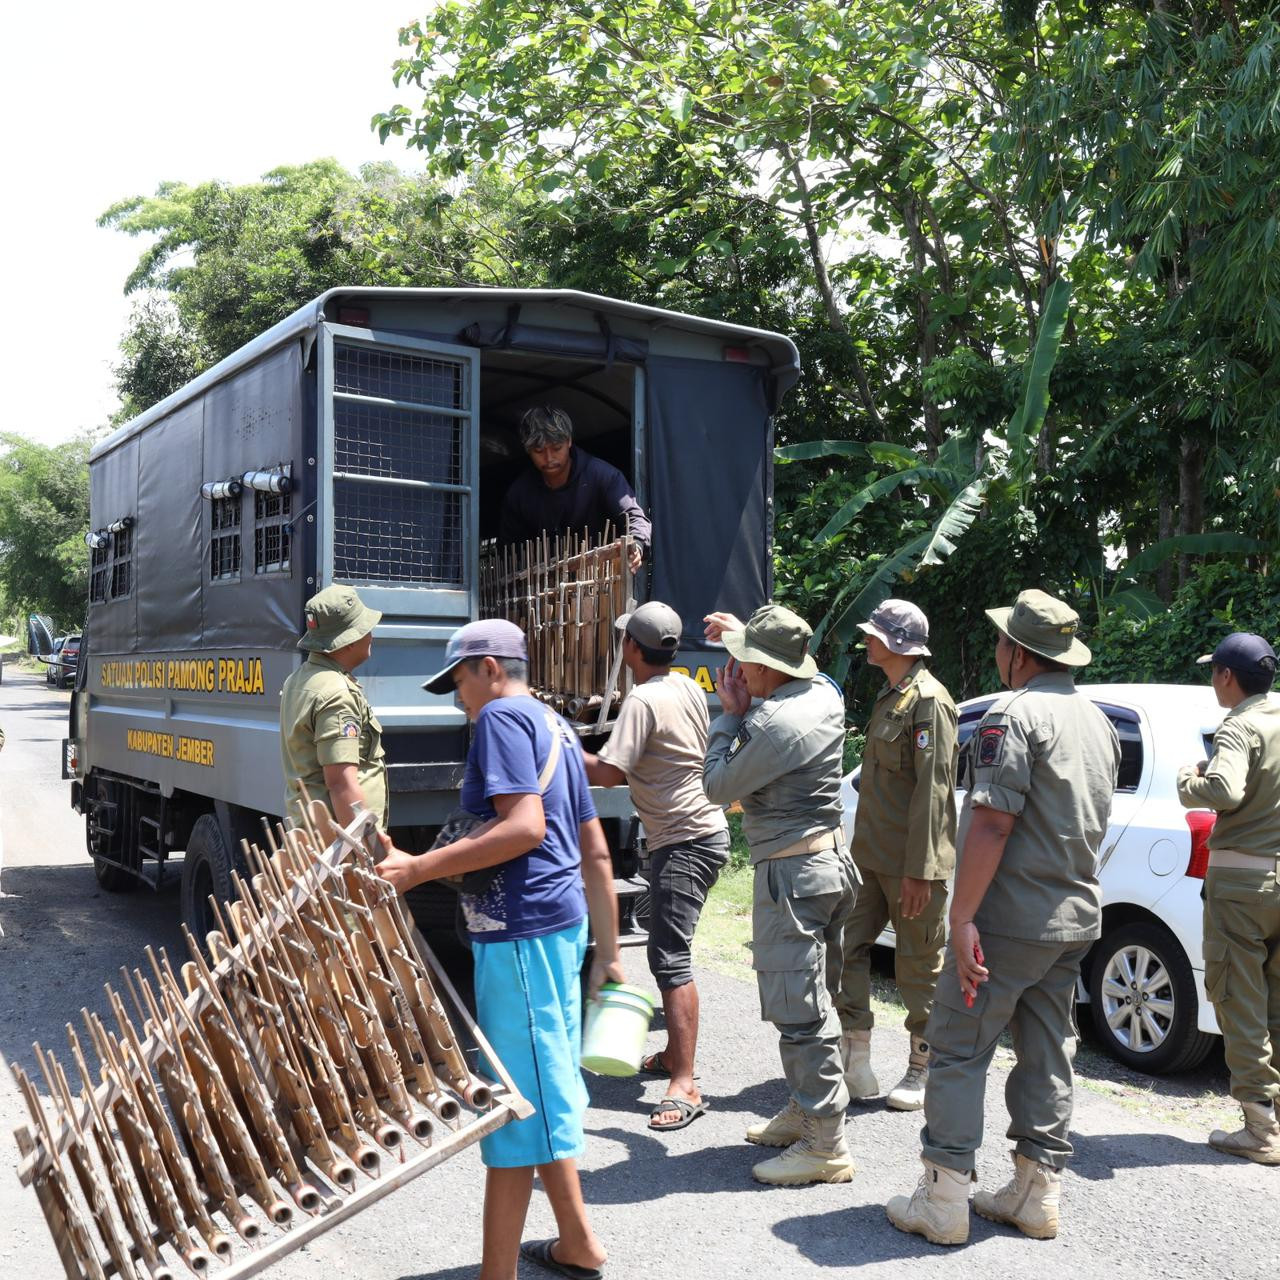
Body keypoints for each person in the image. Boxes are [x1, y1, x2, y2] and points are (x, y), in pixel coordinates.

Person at [376, 619, 624, 1280]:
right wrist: (608, 951)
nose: (458, 697)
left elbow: (525, 826)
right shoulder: (558, 727)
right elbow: (593, 849)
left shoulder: (501, 721)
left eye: (458, 680)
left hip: (520, 932)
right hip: (556, 928)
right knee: (542, 1089)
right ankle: (577, 1243)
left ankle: (496, 1275)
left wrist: (419, 870)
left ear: (488, 667)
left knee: (515, 1108)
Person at [886, 588, 1119, 1246]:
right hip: (1073, 917)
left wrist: (962, 920)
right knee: (1049, 1049)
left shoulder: (1012, 716)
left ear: (1017, 653)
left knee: (958, 1048)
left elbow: (991, 821)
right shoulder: (1097, 720)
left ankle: (943, 1199)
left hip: (1008, 921)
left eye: (1000, 642)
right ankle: (1034, 1191)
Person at [701, 604, 857, 1185]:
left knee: (800, 1008)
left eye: (748, 662)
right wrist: (746, 636)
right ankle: (805, 1107)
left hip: (792, 875)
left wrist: (727, 717)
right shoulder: (824, 693)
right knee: (813, 998)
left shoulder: (771, 724)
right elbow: (789, 676)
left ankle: (826, 1143)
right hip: (826, 864)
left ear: (770, 670)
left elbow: (717, 786)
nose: (740, 670)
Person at [582, 601, 729, 1132]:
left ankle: (684, 1081)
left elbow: (608, 774)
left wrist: (551, 739)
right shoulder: (687, 686)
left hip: (684, 840)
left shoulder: (642, 699)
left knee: (671, 956)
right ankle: (672, 1057)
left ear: (629, 649)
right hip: (702, 831)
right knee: (671, 948)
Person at [836, 599, 957, 1112]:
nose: (866, 640)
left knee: (918, 970)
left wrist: (921, 872)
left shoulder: (929, 702)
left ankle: (923, 1066)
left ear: (897, 644)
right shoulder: (892, 696)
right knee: (845, 950)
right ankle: (856, 1060)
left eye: (874, 634)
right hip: (870, 860)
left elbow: (934, 792)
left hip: (911, 867)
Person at [1176, 631, 1280, 1164]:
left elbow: (1224, 792)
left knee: (1241, 1001)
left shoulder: (1237, 728)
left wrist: (1186, 781)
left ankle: (1260, 1128)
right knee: (1276, 1002)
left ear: (1226, 676)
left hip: (1242, 885)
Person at [279, 585, 387, 828]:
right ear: (348, 640)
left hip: (315, 835)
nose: (371, 634)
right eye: (365, 627)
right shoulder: (337, 693)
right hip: (340, 849)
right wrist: (370, 849)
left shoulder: (298, 680)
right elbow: (341, 784)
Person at [499, 406, 651, 571]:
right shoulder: (519, 495)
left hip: (601, 583)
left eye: (556, 448)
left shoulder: (603, 476)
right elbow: (507, 553)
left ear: (569, 441)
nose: (549, 458)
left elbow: (635, 517)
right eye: (539, 451)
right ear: (528, 450)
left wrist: (636, 543)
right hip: (543, 588)